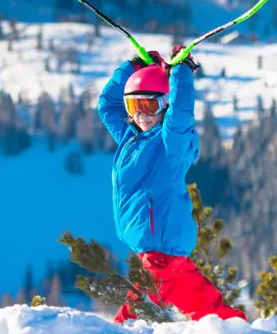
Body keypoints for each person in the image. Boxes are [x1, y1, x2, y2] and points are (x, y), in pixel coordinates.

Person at [97, 46, 247, 323]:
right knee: (213, 312)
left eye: (149, 105)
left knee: (131, 321)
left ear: (164, 104)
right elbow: (106, 105)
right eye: (134, 106)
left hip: (160, 251)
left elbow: (181, 116)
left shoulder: (171, 144)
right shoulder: (132, 139)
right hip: (162, 252)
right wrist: (133, 66)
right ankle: (237, 328)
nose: (141, 114)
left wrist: (181, 71)